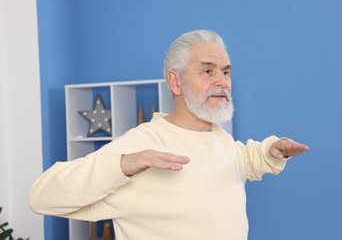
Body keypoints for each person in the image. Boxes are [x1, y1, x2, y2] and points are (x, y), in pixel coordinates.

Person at [29, 30, 309, 240]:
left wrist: (271, 150)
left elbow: (241, 160)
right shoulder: (140, 146)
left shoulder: (220, 139)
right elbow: (41, 196)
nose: (222, 82)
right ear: (175, 81)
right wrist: (122, 165)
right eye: (208, 71)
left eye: (225, 71)